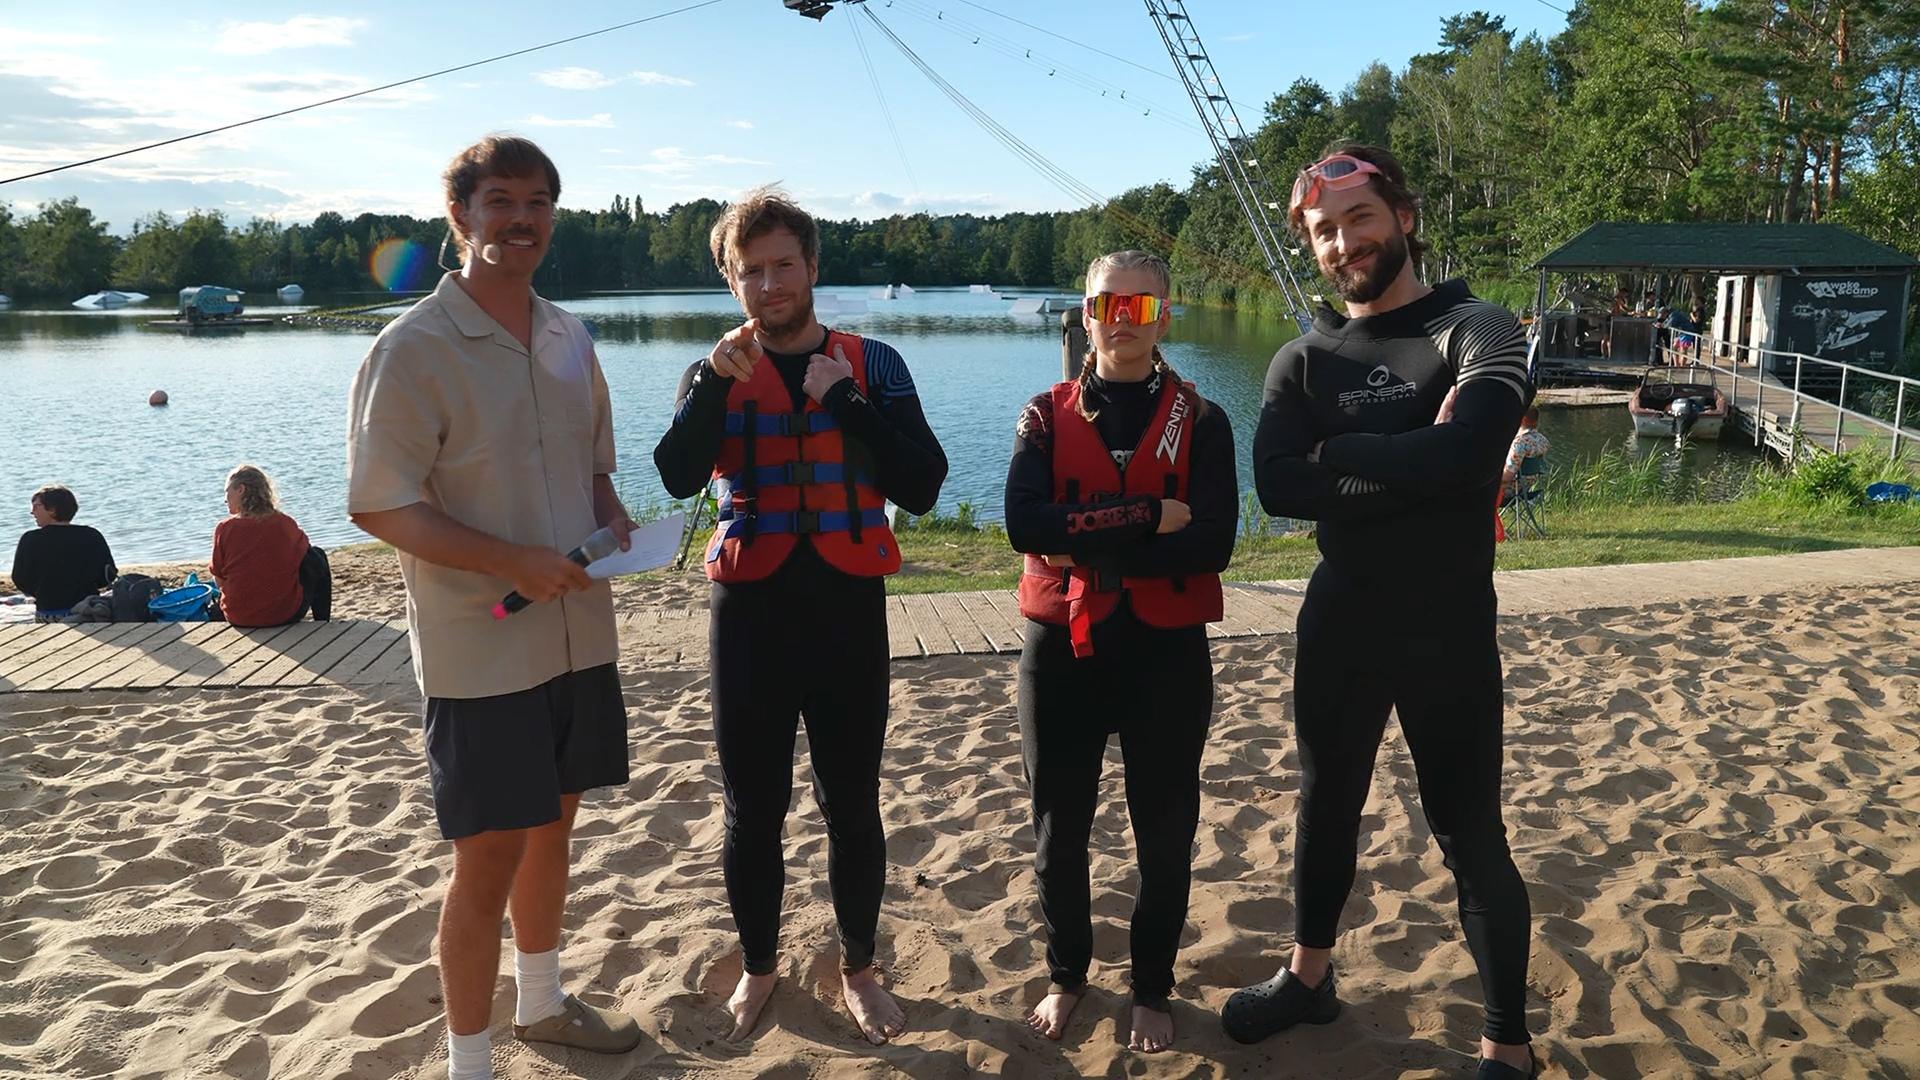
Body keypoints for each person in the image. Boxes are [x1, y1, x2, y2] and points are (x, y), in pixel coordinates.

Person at [1229, 143, 1537, 1079]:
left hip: (1446, 624)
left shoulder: (1480, 327)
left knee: (1469, 829)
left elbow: (1472, 457)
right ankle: (1309, 979)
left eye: (1360, 217)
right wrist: (1418, 456)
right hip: (1342, 618)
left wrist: (1344, 458)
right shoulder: (1303, 357)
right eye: (1324, 230)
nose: (1343, 241)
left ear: (1402, 216)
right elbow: (1278, 488)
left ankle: (1507, 1045)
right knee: (1326, 805)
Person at [346, 135, 640, 1080]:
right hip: (485, 647)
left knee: (557, 824)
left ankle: (544, 1005)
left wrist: (612, 518)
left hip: (577, 635)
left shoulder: (567, 333)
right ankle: (470, 1061)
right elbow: (379, 501)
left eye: (541, 201)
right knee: (487, 859)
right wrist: (510, 557)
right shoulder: (415, 346)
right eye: (503, 200)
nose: (523, 219)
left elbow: (595, 464)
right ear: (459, 215)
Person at [652, 187, 947, 1046]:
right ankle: (759, 967)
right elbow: (676, 475)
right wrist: (711, 386)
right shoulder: (712, 370)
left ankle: (859, 966)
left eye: (785, 265)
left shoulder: (875, 363)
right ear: (730, 280)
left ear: (813, 268)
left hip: (848, 613)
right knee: (753, 807)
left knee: (852, 803)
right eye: (751, 271)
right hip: (749, 617)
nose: (771, 283)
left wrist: (844, 400)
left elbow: (923, 485)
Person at [1004, 250, 1235, 1053]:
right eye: (1108, 307)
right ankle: (1068, 972)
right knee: (1056, 832)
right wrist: (1147, 513)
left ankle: (1151, 985)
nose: (1122, 322)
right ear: (1086, 313)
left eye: (1140, 308)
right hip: (1061, 653)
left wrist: (1084, 544)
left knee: (1164, 832)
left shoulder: (1203, 421)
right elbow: (1024, 528)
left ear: (1164, 316)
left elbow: (1212, 544)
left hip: (1165, 655)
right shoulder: (1042, 414)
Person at [211, 465, 312, 627]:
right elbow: (306, 554)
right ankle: (322, 617)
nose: (225, 499)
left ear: (240, 490)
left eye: (226, 491)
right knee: (316, 557)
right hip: (284, 614)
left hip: (239, 616)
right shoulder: (285, 523)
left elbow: (219, 578)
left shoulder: (225, 529)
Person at [11, 485, 116, 621]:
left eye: (36, 506)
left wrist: (42, 592)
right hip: (87, 610)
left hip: (48, 612)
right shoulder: (91, 535)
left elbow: (20, 578)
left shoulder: (30, 539)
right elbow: (108, 574)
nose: (32, 512)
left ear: (53, 510)